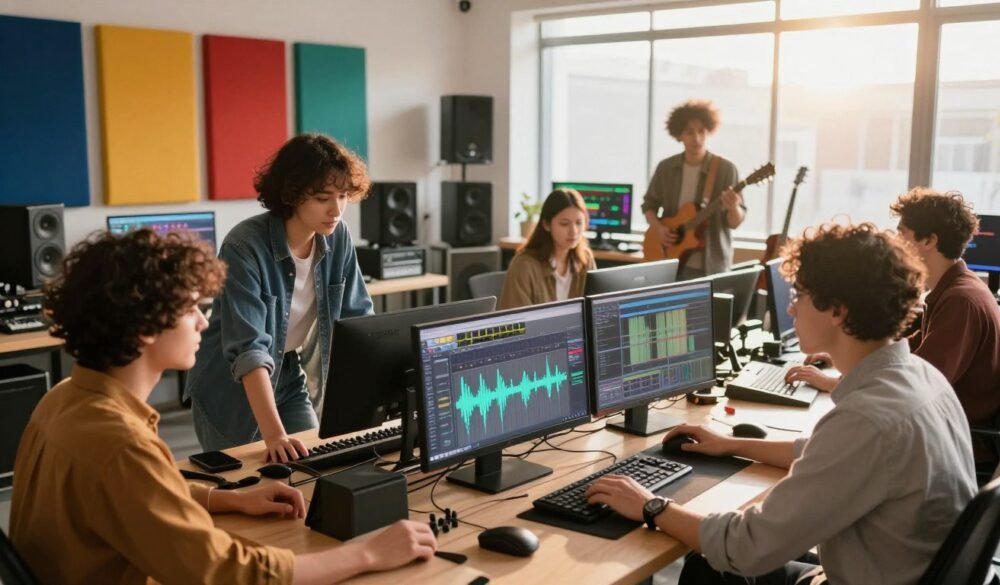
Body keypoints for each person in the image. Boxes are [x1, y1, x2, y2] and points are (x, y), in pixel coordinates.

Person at [10, 230, 436, 585]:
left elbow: (136, 493)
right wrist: (366, 555)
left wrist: (226, 499)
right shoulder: (119, 444)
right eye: (189, 308)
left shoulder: (64, 397)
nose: (202, 321)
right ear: (145, 329)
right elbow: (227, 573)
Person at [586, 223, 976, 584]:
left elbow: (746, 547)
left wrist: (652, 506)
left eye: (799, 296)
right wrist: (731, 444)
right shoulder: (921, 377)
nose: (790, 309)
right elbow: (828, 454)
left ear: (838, 310)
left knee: (708, 567)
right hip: (900, 569)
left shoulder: (868, 419)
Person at [186, 133, 374, 462]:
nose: (336, 209)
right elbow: (249, 349)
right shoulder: (244, 246)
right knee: (240, 482)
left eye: (343, 196)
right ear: (292, 194)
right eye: (322, 197)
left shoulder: (337, 236)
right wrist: (275, 435)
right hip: (231, 384)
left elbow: (359, 321)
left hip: (287, 370)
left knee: (315, 462)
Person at [785, 189, 1000, 454]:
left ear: (928, 240)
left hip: (958, 439)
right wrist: (841, 351)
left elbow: (918, 381)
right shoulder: (954, 288)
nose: (894, 240)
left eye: (901, 232)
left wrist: (833, 383)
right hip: (942, 428)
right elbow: (912, 350)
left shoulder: (962, 300)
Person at [642, 99, 744, 279]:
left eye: (701, 131)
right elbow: (648, 205)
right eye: (689, 132)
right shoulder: (665, 168)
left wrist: (733, 207)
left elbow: (734, 223)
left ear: (709, 131)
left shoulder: (725, 169)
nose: (696, 138)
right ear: (679, 135)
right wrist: (658, 228)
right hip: (669, 264)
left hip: (711, 267)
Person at [498, 187, 596, 309]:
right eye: (564, 224)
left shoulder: (585, 260)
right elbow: (518, 322)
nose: (573, 231)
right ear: (547, 224)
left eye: (578, 223)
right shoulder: (524, 265)